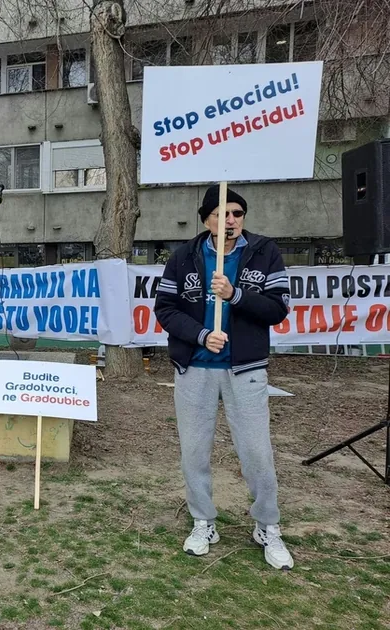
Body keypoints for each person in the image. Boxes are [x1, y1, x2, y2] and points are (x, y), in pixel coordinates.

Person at [154, 185, 293, 571]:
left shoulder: (264, 252)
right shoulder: (183, 257)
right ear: (206, 219)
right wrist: (200, 335)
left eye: (236, 213)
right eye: (221, 213)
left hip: (245, 370)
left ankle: (267, 526)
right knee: (194, 453)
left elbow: (277, 308)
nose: (229, 220)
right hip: (195, 369)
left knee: (256, 454)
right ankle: (204, 521)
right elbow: (165, 309)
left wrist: (235, 295)